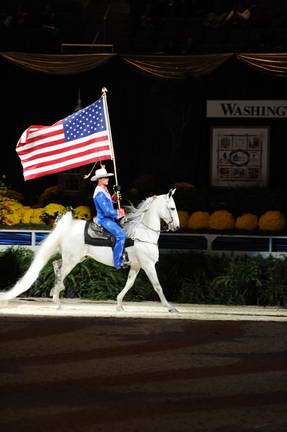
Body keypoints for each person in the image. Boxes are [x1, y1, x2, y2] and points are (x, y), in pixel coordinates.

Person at [91, 165, 128, 269]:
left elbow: (110, 203)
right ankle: (118, 262)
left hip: (109, 218)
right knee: (121, 234)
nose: (107, 179)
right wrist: (120, 212)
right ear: (100, 179)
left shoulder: (104, 189)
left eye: (107, 177)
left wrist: (115, 196)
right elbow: (107, 211)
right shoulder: (99, 193)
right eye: (105, 177)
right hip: (103, 219)